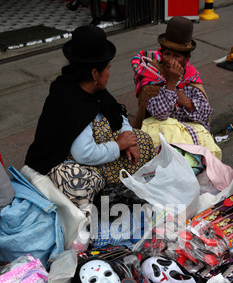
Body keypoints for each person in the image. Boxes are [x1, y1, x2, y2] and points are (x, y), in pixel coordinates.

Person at [25, 25, 156, 209]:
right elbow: (83, 153)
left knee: (143, 140)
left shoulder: (94, 89)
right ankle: (109, 190)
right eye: (108, 69)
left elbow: (117, 115)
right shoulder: (70, 99)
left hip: (100, 149)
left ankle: (122, 185)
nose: (109, 74)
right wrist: (119, 145)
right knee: (78, 185)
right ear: (95, 73)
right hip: (65, 160)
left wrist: (130, 140)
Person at [131, 16, 222, 160]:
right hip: (159, 140)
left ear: (187, 59)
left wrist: (187, 103)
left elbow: (205, 114)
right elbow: (159, 115)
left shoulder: (191, 77)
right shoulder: (152, 75)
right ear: (161, 54)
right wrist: (171, 83)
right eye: (167, 54)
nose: (170, 60)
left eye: (176, 56)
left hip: (189, 137)